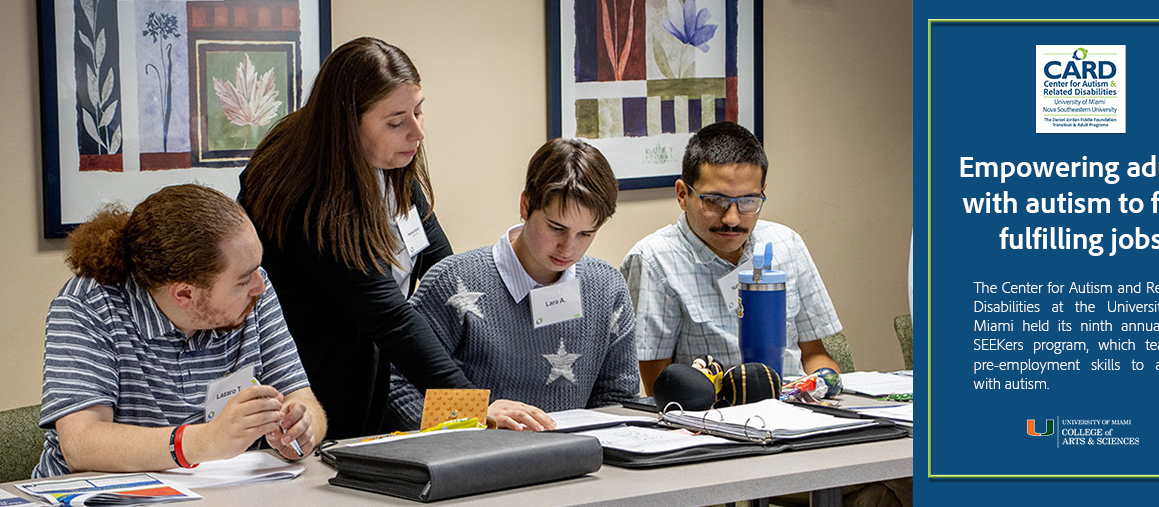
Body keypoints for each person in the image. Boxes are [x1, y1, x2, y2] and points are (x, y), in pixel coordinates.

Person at [239, 37, 546, 438]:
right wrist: (476, 403)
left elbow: (445, 271)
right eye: (396, 121)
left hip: (374, 371)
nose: (417, 132)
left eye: (419, 112)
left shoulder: (386, 162)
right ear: (348, 124)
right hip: (312, 389)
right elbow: (389, 318)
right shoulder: (310, 195)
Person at [35, 184, 325, 478]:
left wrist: (300, 428)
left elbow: (300, 396)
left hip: (216, 490)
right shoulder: (87, 305)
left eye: (256, 269)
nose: (260, 286)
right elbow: (82, 445)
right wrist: (207, 440)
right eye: (242, 279)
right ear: (185, 295)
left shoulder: (254, 293)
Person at [386, 138, 640, 430]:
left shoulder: (606, 288)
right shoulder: (452, 282)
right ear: (525, 204)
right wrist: (476, 416)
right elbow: (394, 386)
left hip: (577, 463)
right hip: (474, 463)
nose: (568, 248)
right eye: (556, 228)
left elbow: (617, 400)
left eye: (586, 234)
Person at [620, 121, 849, 395]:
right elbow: (661, 387)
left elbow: (814, 354)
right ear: (683, 194)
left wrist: (825, 386)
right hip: (714, 418)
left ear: (763, 191)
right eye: (715, 201)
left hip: (795, 410)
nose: (732, 219)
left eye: (748, 201)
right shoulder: (654, 261)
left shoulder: (787, 244)